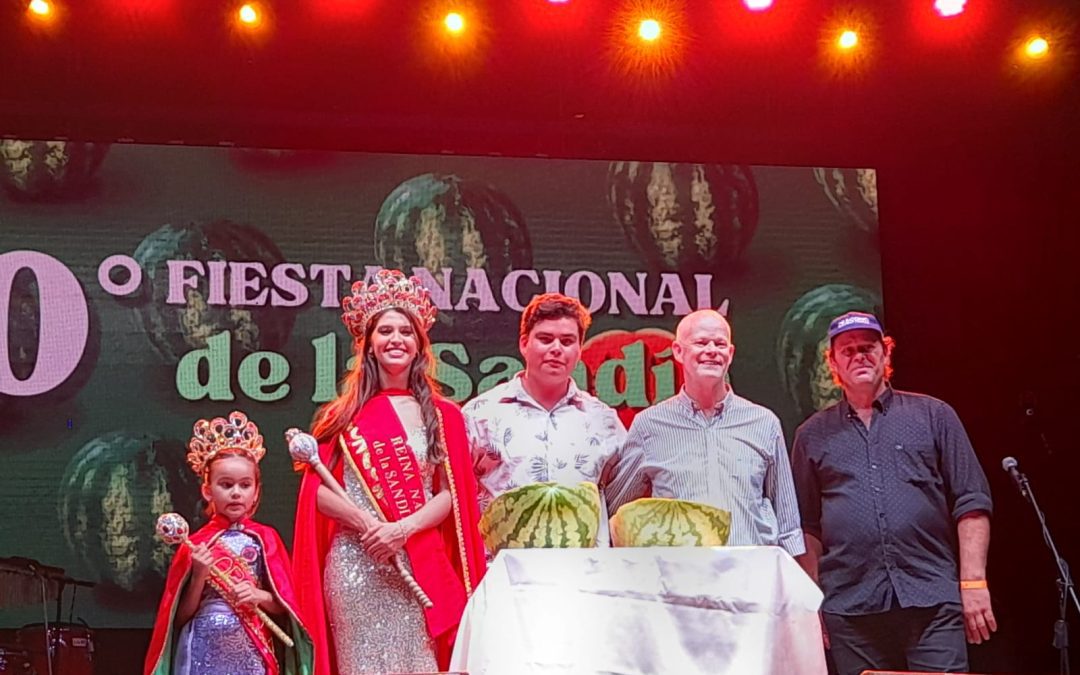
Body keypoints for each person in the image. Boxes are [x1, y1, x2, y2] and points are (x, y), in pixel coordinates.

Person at [292, 269, 487, 675]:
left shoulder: (444, 415)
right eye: (385, 330)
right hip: (355, 565)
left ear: (419, 346)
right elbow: (317, 492)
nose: (396, 339)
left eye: (405, 331)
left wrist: (400, 530)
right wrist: (366, 523)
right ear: (368, 345)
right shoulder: (341, 415)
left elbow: (449, 494)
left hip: (415, 560)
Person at [790, 311, 995, 674]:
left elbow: (971, 501)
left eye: (868, 347)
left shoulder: (934, 415)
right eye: (848, 350)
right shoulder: (812, 435)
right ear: (833, 362)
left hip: (931, 596)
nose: (859, 356)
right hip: (850, 607)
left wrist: (974, 581)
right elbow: (807, 528)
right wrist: (811, 603)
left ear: (886, 354)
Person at [604, 309, 805, 556]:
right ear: (678, 351)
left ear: (730, 354)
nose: (711, 350)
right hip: (679, 577)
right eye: (701, 342)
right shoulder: (650, 425)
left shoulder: (764, 423)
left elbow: (787, 521)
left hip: (752, 576)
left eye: (720, 344)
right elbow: (614, 509)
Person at [145, 411, 313, 675]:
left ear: (256, 490)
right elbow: (180, 617)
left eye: (244, 485)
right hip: (202, 649)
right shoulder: (197, 543)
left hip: (253, 650)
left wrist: (259, 596)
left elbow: (286, 606)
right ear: (207, 490)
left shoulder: (266, 539)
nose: (236, 492)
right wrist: (199, 575)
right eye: (226, 484)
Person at [463, 293, 626, 545]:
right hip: (502, 569)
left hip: (585, 571)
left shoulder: (603, 420)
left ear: (579, 350)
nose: (556, 349)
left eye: (567, 341)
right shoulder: (481, 414)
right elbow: (457, 495)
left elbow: (620, 497)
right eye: (545, 339)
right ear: (524, 344)